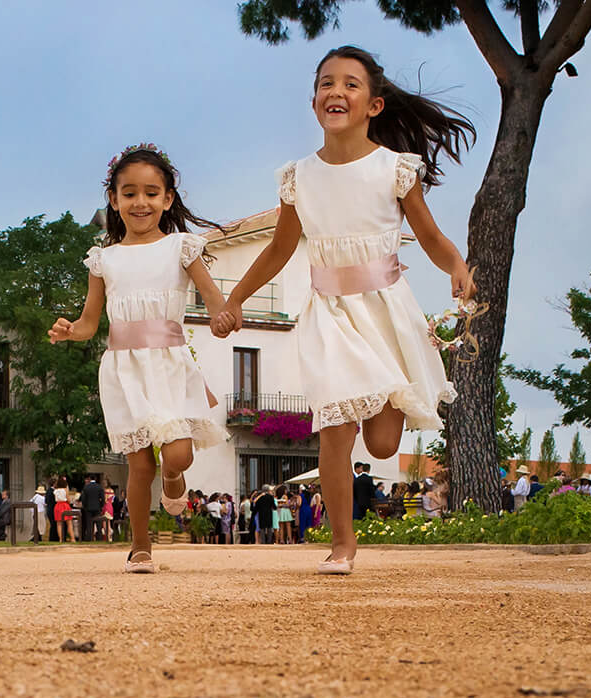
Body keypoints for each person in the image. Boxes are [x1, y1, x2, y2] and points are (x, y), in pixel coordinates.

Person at [217, 45, 474, 575]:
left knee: (381, 445)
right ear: (314, 102)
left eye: (351, 84)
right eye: (326, 83)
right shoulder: (299, 177)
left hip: (385, 310)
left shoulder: (395, 170)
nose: (337, 91)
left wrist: (457, 266)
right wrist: (236, 297)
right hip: (328, 313)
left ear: (374, 105)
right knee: (334, 427)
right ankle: (341, 543)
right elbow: (279, 248)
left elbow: (429, 236)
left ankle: (389, 396)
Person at [49, 143, 235, 572]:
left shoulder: (182, 249)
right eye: (129, 193)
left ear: (167, 199)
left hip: (170, 364)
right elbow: (89, 322)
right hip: (124, 367)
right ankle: (140, 547)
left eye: (151, 193)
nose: (140, 202)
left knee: (178, 455)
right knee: (137, 464)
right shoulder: (103, 260)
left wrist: (224, 318)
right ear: (113, 200)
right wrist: (69, 331)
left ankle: (174, 478)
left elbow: (214, 301)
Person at [79, 475, 105, 541]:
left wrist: (85, 506)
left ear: (90, 479)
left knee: (89, 525)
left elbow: (83, 499)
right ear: (95, 479)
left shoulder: (86, 487)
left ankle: (89, 539)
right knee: (99, 524)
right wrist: (101, 506)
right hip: (97, 508)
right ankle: (99, 538)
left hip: (88, 508)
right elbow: (103, 498)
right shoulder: (99, 487)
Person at [52, 476, 73, 542]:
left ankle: (60, 539)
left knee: (59, 523)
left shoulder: (55, 491)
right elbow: (68, 499)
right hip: (64, 505)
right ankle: (72, 538)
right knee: (69, 523)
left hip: (58, 505)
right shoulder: (65, 490)